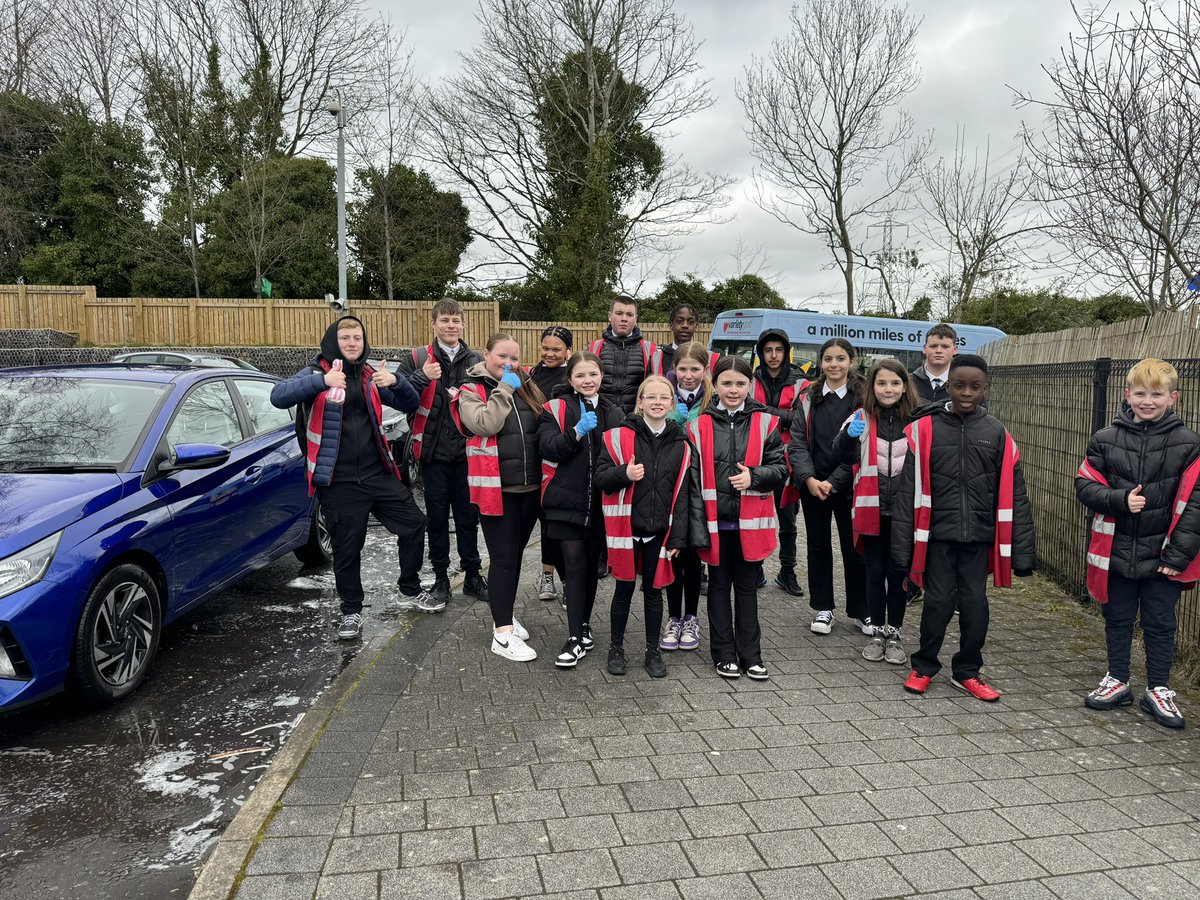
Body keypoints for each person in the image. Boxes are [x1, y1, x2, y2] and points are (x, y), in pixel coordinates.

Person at [270, 316, 439, 641]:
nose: (351, 342)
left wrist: (396, 381)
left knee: (414, 523)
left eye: (357, 338)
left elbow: (409, 403)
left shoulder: (367, 375)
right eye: (345, 337)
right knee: (347, 550)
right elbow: (279, 396)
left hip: (378, 473)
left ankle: (409, 587)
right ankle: (351, 611)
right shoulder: (315, 372)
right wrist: (323, 381)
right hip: (339, 481)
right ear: (334, 341)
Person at [892, 354, 1036, 701]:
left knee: (975, 605)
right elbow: (906, 492)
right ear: (949, 386)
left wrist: (1023, 551)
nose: (967, 392)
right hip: (937, 537)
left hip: (979, 538)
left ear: (986, 388)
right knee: (937, 604)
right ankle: (924, 665)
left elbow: (1016, 494)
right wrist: (901, 549)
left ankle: (967, 671)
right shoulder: (924, 429)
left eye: (975, 386)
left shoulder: (997, 433)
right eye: (959, 385)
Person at [1075, 358, 1200, 729]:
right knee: (1117, 618)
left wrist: (1178, 555)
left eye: (1156, 394)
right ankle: (1118, 680)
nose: (1147, 401)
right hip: (1115, 552)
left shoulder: (1189, 444)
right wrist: (1119, 500)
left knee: (1161, 623)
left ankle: (1159, 688)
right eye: (1140, 393)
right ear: (1127, 395)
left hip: (1164, 557)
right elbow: (1085, 484)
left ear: (1172, 398)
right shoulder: (1104, 439)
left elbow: (1196, 503)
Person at [596, 376, 705, 678]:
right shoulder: (618, 436)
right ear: (640, 401)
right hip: (626, 529)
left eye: (664, 397)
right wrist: (624, 474)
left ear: (672, 404)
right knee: (623, 590)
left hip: (660, 531)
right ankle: (616, 648)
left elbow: (683, 495)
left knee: (654, 592)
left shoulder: (682, 444)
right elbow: (601, 478)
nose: (657, 402)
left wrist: (678, 538)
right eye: (650, 396)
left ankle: (652, 650)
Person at [691, 356, 788, 679]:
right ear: (715, 385)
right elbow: (690, 480)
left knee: (746, 589)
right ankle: (723, 654)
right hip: (714, 522)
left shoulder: (766, 423)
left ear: (751, 385)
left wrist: (756, 476)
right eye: (727, 383)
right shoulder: (698, 425)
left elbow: (781, 469)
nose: (733, 390)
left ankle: (751, 655)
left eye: (740, 383)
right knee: (718, 586)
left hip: (751, 524)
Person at [456, 334, 548, 662]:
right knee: (503, 559)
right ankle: (502, 635)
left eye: (514, 358)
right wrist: (505, 388)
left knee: (516, 556)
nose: (508, 363)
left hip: (530, 489)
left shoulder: (528, 385)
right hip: (498, 491)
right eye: (501, 357)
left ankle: (504, 615)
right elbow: (485, 423)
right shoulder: (471, 389)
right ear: (486, 355)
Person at [399, 299, 489, 605]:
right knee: (436, 519)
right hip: (433, 453)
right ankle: (440, 578)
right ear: (434, 324)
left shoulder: (475, 359)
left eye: (456, 320)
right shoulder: (417, 357)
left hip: (467, 453)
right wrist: (423, 375)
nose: (451, 325)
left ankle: (473, 576)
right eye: (445, 320)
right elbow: (398, 397)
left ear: (463, 325)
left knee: (468, 517)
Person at [538, 350, 624, 667]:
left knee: (589, 570)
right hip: (565, 502)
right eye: (580, 375)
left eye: (592, 374)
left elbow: (622, 454)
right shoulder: (555, 409)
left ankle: (584, 627)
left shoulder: (615, 412)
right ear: (570, 379)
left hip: (601, 505)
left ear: (601, 376)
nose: (587, 381)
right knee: (573, 567)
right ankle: (575, 638)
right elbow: (548, 448)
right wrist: (575, 432)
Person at [832, 359, 920, 665]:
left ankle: (894, 633)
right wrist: (848, 435)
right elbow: (839, 453)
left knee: (898, 574)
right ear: (872, 387)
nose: (888, 389)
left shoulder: (918, 420)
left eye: (895, 383)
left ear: (905, 386)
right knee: (874, 573)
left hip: (906, 513)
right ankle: (878, 632)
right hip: (872, 510)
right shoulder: (860, 416)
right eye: (881, 383)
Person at [789, 338, 869, 635]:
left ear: (851, 361)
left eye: (840, 359)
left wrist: (834, 482)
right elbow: (797, 442)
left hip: (850, 486)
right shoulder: (808, 396)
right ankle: (823, 608)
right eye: (828, 359)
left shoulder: (863, 397)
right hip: (813, 487)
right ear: (820, 363)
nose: (834, 365)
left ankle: (863, 611)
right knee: (818, 547)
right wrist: (809, 479)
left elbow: (863, 447)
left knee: (855, 548)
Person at [661, 341, 714, 651]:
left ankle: (691, 617)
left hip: (701, 488)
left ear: (705, 371)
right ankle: (673, 618)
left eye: (695, 369)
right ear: (674, 370)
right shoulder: (663, 397)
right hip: (670, 486)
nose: (689, 375)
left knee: (693, 556)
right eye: (683, 369)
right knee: (673, 553)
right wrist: (673, 421)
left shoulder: (712, 401)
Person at [752, 327, 807, 598]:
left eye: (779, 350)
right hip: (755, 459)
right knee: (757, 518)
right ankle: (757, 568)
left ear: (786, 352)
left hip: (787, 461)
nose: (773, 355)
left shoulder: (801, 383)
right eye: (768, 350)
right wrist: (781, 415)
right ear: (761, 353)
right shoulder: (751, 380)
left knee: (788, 522)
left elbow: (800, 419)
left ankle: (787, 571)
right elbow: (746, 411)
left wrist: (763, 412)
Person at [528, 325, 573, 604]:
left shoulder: (572, 377)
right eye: (546, 348)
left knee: (558, 525)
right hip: (536, 457)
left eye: (557, 349)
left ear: (568, 350)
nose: (550, 353)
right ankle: (547, 576)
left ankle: (569, 579)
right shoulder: (532, 375)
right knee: (544, 524)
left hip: (563, 459)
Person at [589, 295, 661, 416]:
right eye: (619, 313)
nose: (624, 319)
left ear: (635, 319)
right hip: (600, 417)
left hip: (637, 419)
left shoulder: (650, 350)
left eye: (629, 314)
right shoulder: (594, 348)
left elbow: (657, 388)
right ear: (609, 316)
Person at [911, 323, 959, 405]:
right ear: (924, 349)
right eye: (933, 346)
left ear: (955, 349)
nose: (939, 351)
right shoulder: (909, 383)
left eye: (945, 346)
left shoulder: (964, 385)